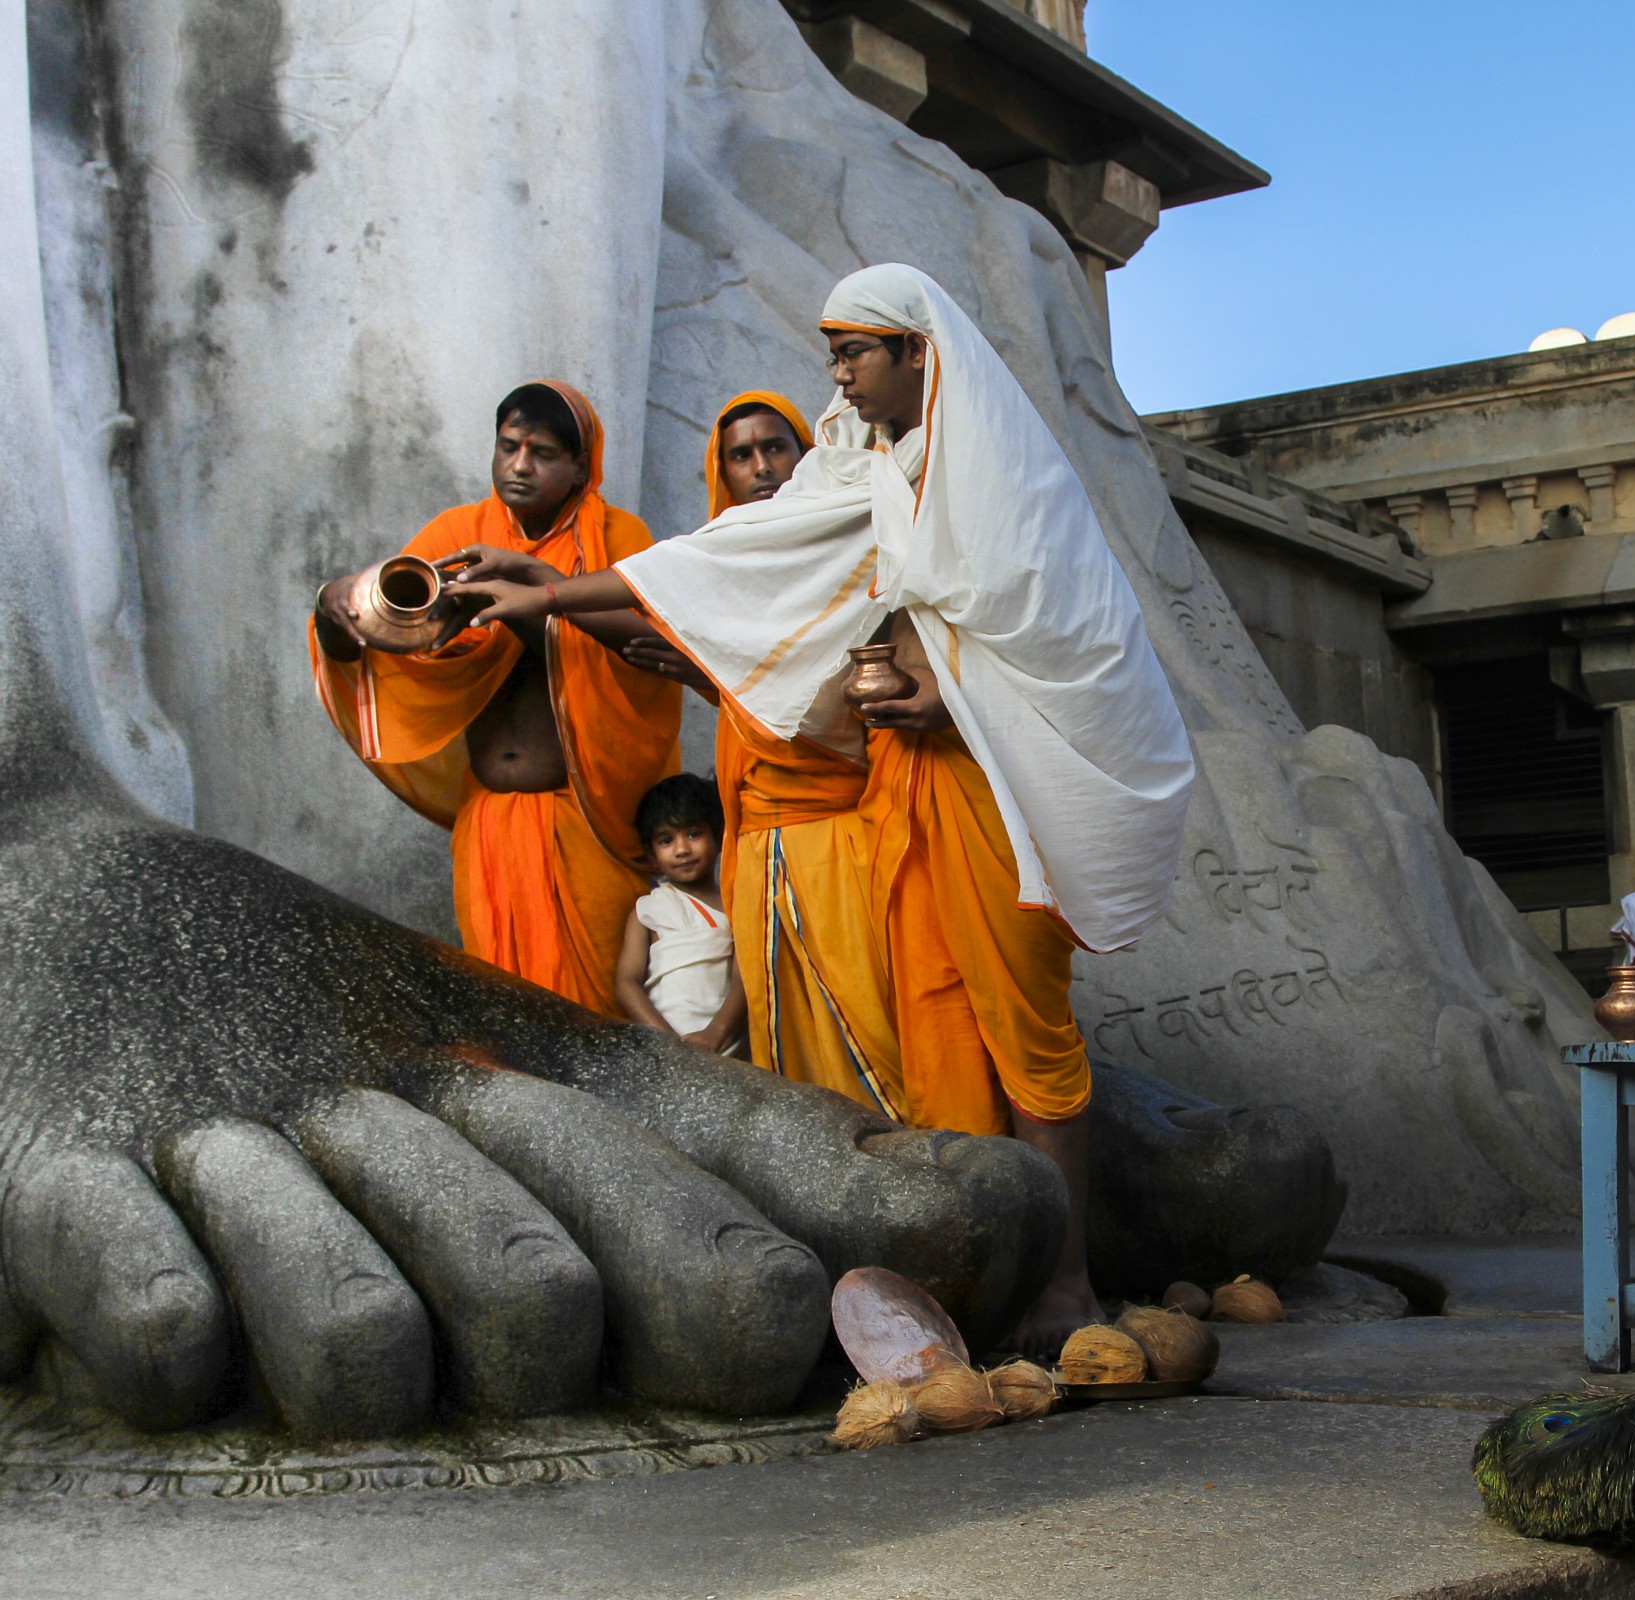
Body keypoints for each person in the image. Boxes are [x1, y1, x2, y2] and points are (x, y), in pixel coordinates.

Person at [445, 266, 1195, 1355]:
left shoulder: (998, 475)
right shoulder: (865, 472)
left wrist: (949, 691)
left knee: (1024, 1031)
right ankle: (959, 1272)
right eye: (832, 350)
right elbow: (721, 562)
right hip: (901, 796)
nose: (837, 372)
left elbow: (1066, 636)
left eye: (856, 350)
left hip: (993, 790)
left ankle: (1067, 1283)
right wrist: (550, 589)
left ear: (918, 353)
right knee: (932, 1022)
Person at [310, 381, 681, 1014]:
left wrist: (533, 598)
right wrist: (336, 607)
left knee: (594, 1022)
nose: (519, 465)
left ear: (580, 470)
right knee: (502, 1019)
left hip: (584, 822)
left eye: (541, 454)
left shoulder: (619, 537)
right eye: (508, 447)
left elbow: (651, 657)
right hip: (487, 825)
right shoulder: (458, 534)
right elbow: (377, 643)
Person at [620, 391, 892, 1092]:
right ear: (723, 472)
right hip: (758, 838)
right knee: (787, 1040)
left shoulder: (848, 551)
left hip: (835, 836)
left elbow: (821, 701)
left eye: (777, 447)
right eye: (741, 454)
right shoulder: (708, 578)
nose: (762, 466)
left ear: (808, 459)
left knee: (868, 1018)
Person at [615, 773, 746, 1055]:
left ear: (719, 837)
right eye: (666, 840)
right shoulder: (647, 911)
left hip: (727, 1045)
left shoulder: (738, 906)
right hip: (667, 1048)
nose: (682, 849)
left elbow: (744, 981)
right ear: (651, 856)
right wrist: (670, 1044)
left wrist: (714, 1035)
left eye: (694, 834)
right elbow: (626, 983)